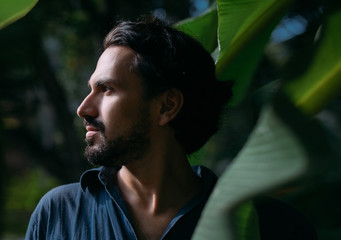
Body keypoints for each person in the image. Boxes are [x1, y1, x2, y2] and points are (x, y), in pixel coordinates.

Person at [25, 17, 315, 240]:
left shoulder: (270, 226)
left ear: (166, 106)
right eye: (91, 89)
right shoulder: (59, 213)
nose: (83, 109)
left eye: (107, 89)